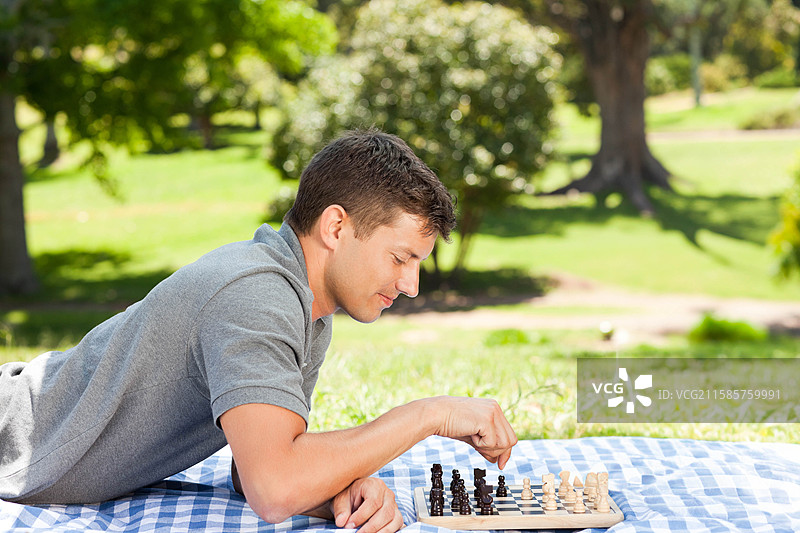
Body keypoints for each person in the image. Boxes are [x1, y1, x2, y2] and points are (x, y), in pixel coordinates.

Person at [0, 129, 517, 532]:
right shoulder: (256, 297)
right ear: (336, 228)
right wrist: (431, 413)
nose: (411, 285)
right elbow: (274, 488)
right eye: (402, 258)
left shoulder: (305, 308)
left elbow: (260, 468)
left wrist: (340, 491)